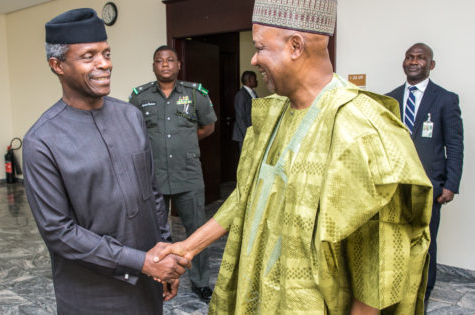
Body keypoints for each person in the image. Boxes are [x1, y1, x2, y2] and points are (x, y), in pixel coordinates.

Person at [152, 0, 434, 314]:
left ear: (295, 46)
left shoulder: (363, 130)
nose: (254, 58)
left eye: (261, 47)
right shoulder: (271, 113)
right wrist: (187, 247)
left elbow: (379, 266)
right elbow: (245, 196)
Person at [22, 8, 189, 314]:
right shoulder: (42, 141)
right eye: (89, 56)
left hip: (148, 284)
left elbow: (151, 192)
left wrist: (164, 254)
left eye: (107, 53)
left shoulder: (131, 116)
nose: (105, 64)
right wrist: (142, 262)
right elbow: (60, 233)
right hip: (91, 295)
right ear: (57, 65)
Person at [129, 45, 217, 303]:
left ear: (179, 65)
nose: (165, 64)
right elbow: (133, 133)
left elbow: (208, 127)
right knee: (153, 232)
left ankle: (200, 282)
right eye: (159, 61)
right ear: (153, 66)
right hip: (153, 176)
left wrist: (185, 141)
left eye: (170, 60)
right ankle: (157, 279)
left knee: (197, 231)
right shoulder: (139, 97)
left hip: (188, 174)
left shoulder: (194, 94)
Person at [386, 43, 464, 306]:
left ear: (431, 65)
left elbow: (454, 144)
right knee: (394, 239)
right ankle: (396, 289)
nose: (414, 61)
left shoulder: (445, 99)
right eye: (409, 56)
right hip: (394, 185)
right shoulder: (390, 99)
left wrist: (451, 184)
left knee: (426, 240)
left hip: (429, 185)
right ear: (404, 62)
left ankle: (423, 292)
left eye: (421, 58)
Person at [232, 71, 258, 152]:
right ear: (249, 80)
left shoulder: (253, 93)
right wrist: (248, 135)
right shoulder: (240, 95)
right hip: (244, 134)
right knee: (245, 161)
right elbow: (240, 118)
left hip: (254, 132)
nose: (256, 81)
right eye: (255, 79)